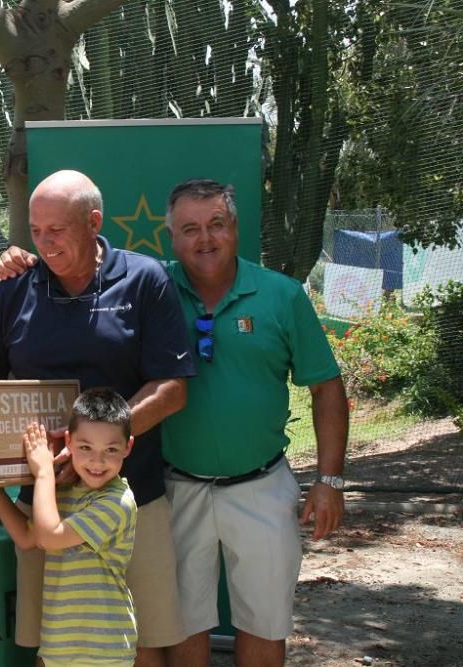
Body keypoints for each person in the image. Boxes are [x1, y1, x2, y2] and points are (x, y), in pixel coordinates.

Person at [0, 169, 195, 667]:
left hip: (134, 498)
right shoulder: (13, 289)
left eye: (57, 230)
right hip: (45, 501)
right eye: (36, 231)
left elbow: (174, 389)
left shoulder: (145, 278)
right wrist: (0, 471)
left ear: (93, 222)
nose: (45, 244)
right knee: (58, 646)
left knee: (142, 644)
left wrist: (92, 444)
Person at [159, 179, 348, 667]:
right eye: (190, 229)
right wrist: (24, 260)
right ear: (172, 238)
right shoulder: (151, 291)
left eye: (217, 224)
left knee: (264, 624)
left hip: (262, 486)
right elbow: (84, 267)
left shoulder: (281, 296)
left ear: (236, 228)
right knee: (183, 624)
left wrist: (329, 481)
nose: (205, 239)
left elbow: (327, 388)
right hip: (176, 488)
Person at [0, 387, 139, 667]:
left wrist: (44, 472)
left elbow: (48, 537)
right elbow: (26, 538)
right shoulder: (65, 491)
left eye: (111, 450)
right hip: (58, 646)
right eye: (85, 448)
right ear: (68, 442)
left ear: (128, 447)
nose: (97, 461)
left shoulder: (118, 502)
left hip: (104, 651)